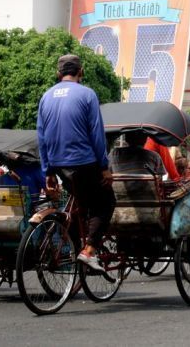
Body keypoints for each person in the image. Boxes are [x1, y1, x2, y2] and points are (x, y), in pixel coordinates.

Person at [37, 54, 115, 271]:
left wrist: (48, 171)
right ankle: (89, 250)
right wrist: (104, 167)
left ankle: (73, 247)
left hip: (58, 165)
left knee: (79, 204)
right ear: (81, 72)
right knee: (106, 202)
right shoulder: (87, 94)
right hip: (85, 163)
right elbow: (97, 135)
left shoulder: (46, 97)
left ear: (58, 73)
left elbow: (41, 137)